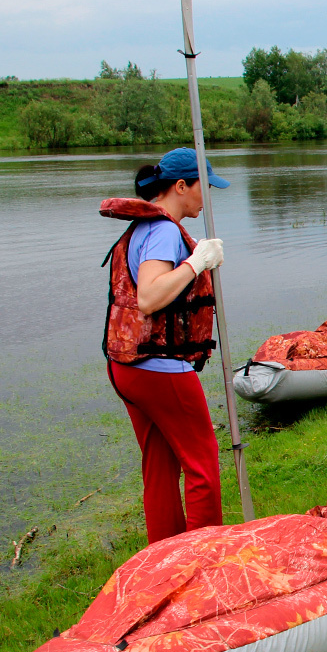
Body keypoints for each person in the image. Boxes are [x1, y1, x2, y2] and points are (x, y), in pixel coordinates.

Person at [102, 147, 228, 545]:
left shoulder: (142, 227)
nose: (206, 196)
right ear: (180, 186)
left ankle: (164, 561)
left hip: (126, 366)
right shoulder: (162, 230)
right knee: (203, 466)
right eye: (202, 187)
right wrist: (198, 262)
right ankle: (203, 566)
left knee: (159, 466)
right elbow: (149, 297)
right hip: (159, 367)